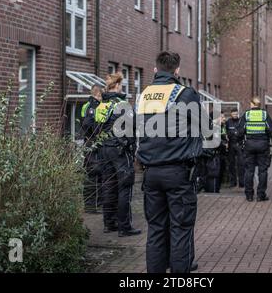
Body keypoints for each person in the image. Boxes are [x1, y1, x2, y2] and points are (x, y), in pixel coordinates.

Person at [136, 51, 204, 273]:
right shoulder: (185, 94)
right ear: (177, 71)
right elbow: (204, 127)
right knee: (180, 230)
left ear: (155, 70)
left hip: (151, 174)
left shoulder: (144, 95)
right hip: (177, 172)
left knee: (155, 229)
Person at [87, 72, 141, 237]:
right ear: (117, 85)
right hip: (119, 150)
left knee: (108, 186)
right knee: (125, 186)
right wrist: (131, 148)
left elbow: (94, 127)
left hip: (104, 150)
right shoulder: (122, 104)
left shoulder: (101, 105)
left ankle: (109, 224)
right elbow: (132, 128)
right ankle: (125, 227)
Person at [239, 97, 272, 202]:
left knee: (249, 170)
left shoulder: (247, 115)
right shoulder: (264, 115)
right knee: (263, 171)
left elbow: (240, 131)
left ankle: (249, 195)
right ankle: (261, 195)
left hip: (249, 145)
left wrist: (241, 141)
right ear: (259, 105)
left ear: (252, 104)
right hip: (263, 146)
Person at [82, 85, 104, 214]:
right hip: (92, 145)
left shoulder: (87, 105)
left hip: (91, 144)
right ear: (98, 94)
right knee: (92, 175)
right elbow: (87, 125)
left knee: (97, 174)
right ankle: (90, 206)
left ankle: (98, 204)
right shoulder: (92, 106)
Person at [225, 108, 245, 188]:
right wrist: (233, 133)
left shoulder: (240, 121)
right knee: (231, 164)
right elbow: (226, 132)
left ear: (238, 114)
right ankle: (233, 182)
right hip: (231, 145)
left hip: (239, 144)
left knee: (241, 164)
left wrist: (236, 134)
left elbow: (243, 132)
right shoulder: (228, 122)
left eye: (236, 114)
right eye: (233, 114)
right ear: (231, 114)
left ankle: (241, 182)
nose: (235, 115)